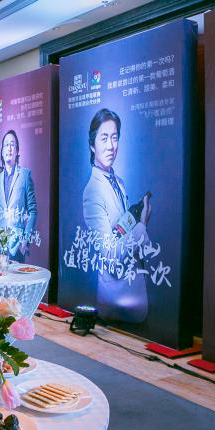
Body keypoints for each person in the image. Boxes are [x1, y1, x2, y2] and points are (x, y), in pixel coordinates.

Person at [81, 108, 152, 322]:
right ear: (92, 145)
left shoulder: (118, 182)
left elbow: (121, 232)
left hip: (134, 296)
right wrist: (142, 225)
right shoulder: (92, 191)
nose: (111, 146)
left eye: (115, 137)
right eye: (104, 138)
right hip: (115, 303)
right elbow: (110, 256)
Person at [0, 129, 37, 261]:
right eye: (6, 145)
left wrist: (25, 240)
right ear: (2, 151)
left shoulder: (25, 175)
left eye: (12, 144)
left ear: (17, 151)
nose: (9, 148)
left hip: (17, 247)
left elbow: (33, 211)